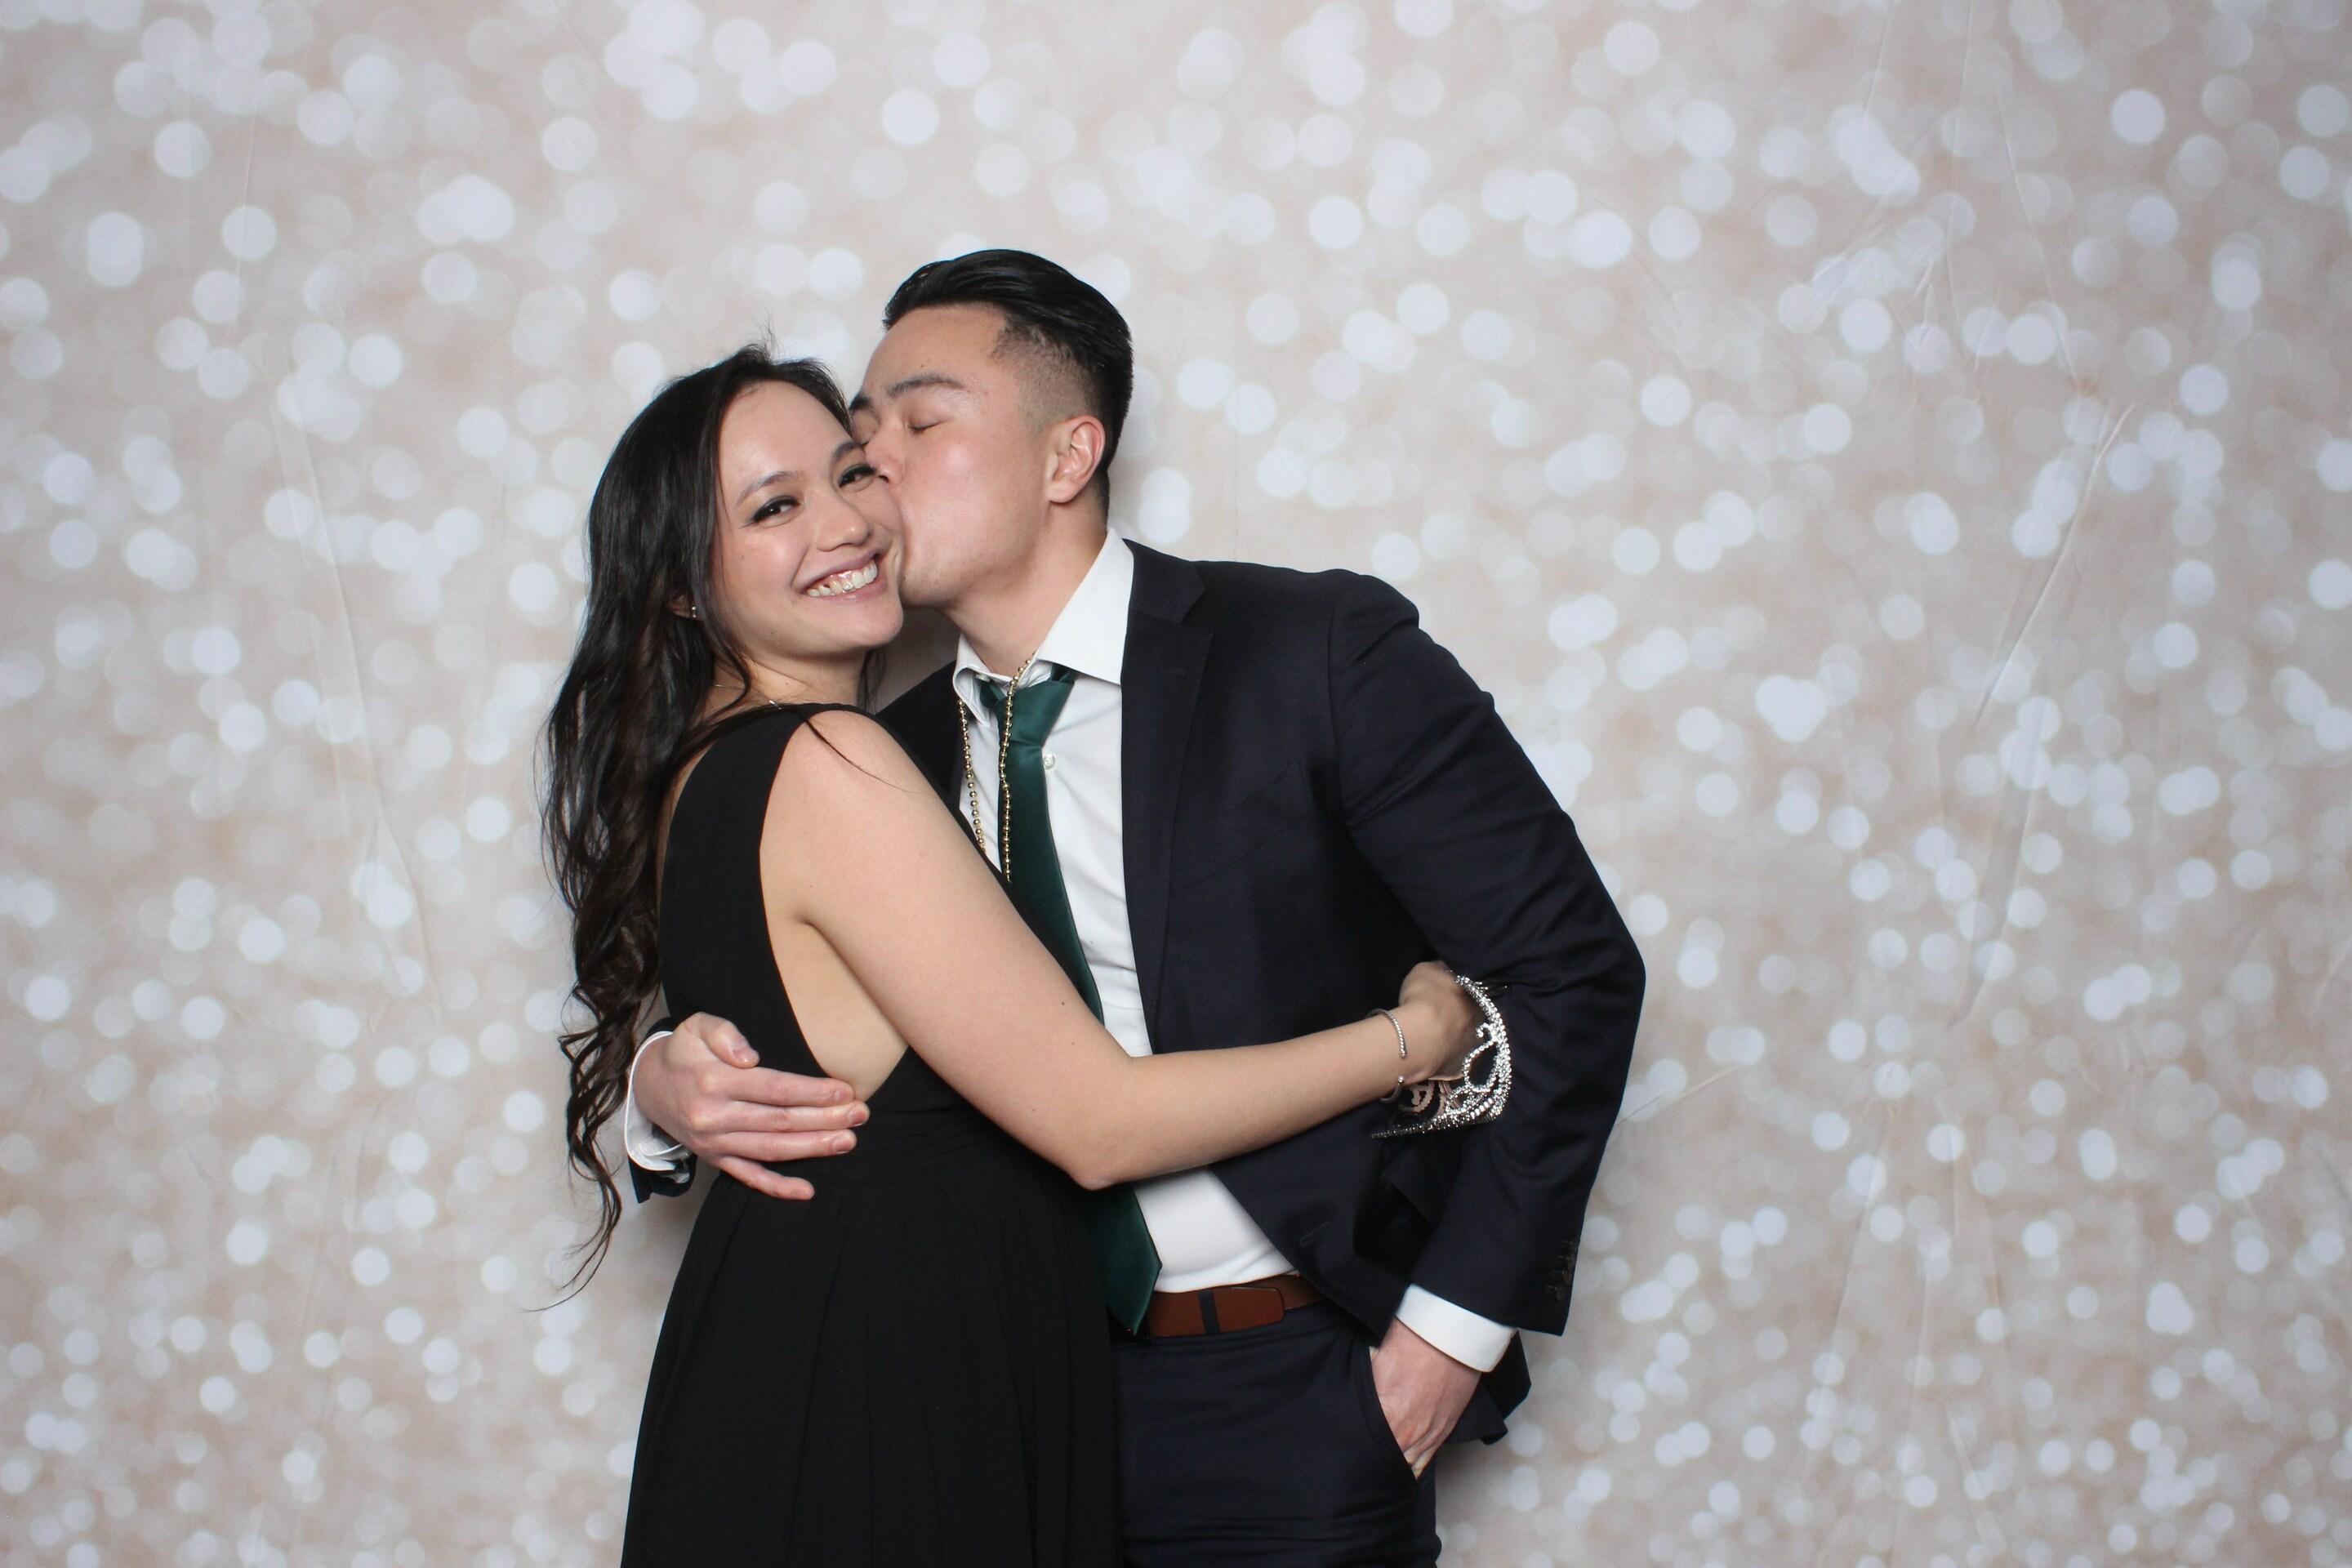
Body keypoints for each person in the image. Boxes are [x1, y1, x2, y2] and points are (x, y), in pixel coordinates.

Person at [628, 251, 1647, 1565]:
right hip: (995, 1403)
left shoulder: (1310, 652)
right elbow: (784, 988)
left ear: (1069, 455)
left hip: (1289, 1390)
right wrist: (661, 1080)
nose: (872, 470)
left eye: (917, 424)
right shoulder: (874, 755)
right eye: (860, 438)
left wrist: (1445, 1341)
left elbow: (1574, 971)